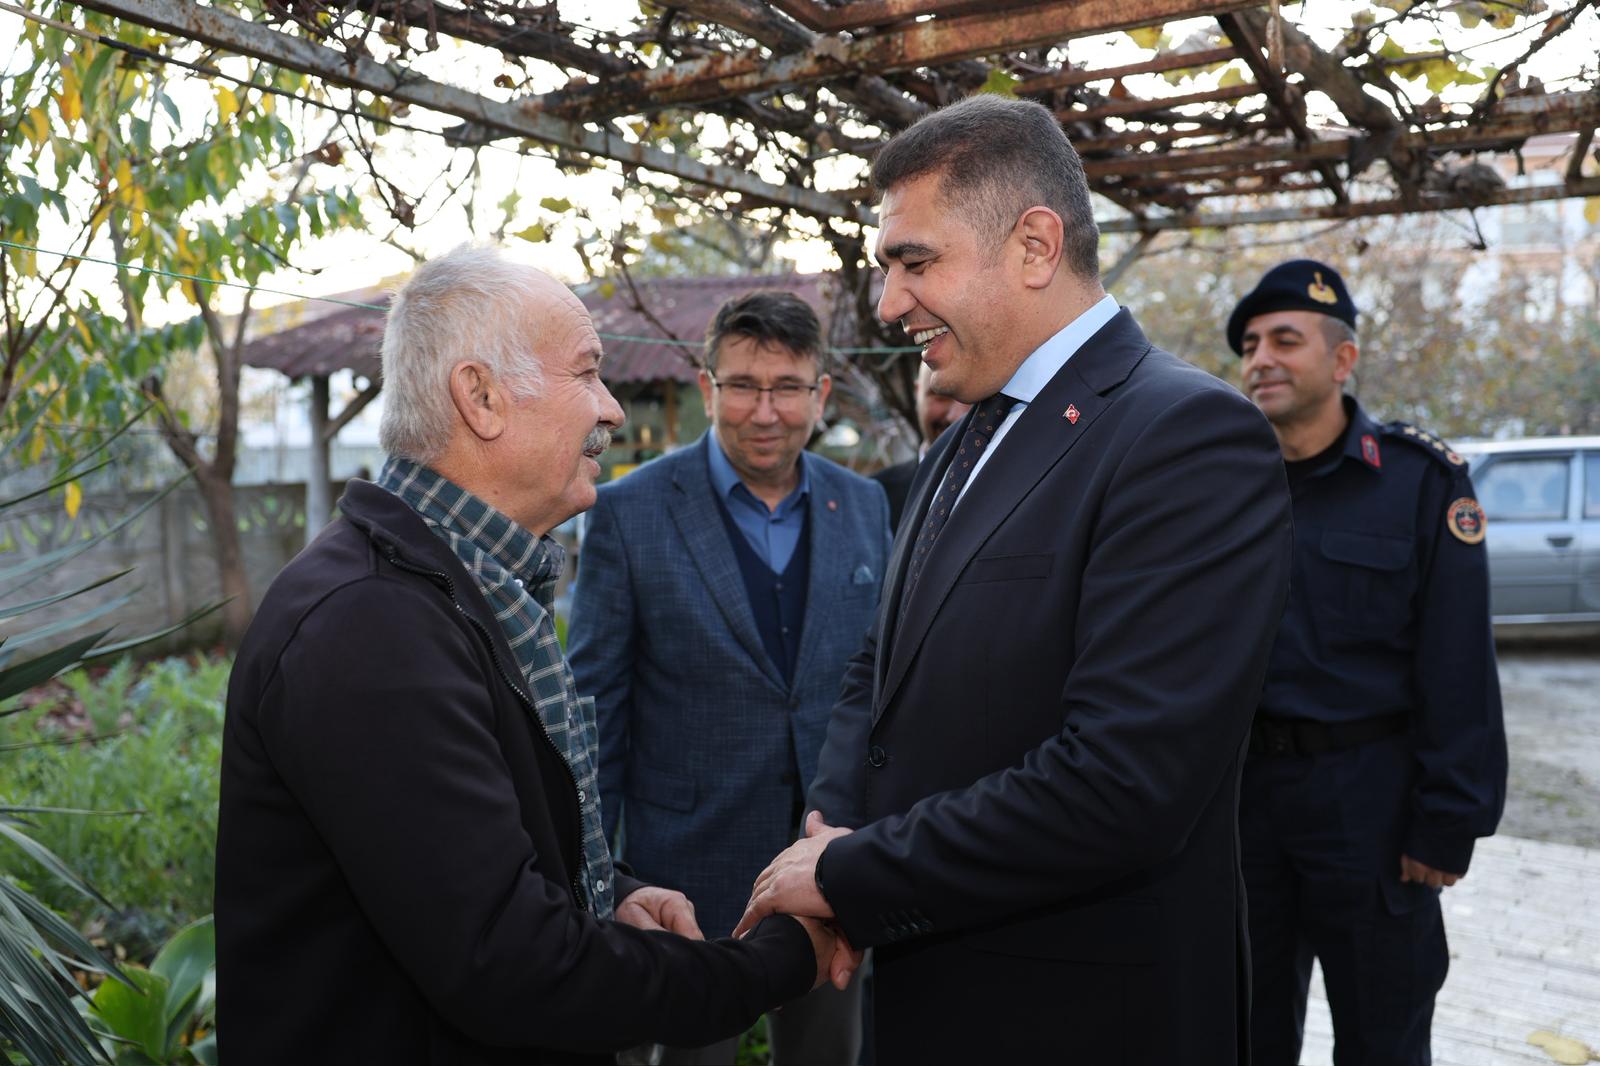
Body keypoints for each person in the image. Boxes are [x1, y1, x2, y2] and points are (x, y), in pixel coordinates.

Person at [735, 94, 1293, 1063]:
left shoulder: (1186, 434)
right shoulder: (969, 433)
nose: (889, 303)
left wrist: (853, 874)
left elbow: (1124, 782)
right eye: (887, 268)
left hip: (1081, 1020)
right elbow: (882, 666)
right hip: (933, 996)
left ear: (1035, 246)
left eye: (915, 262)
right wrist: (834, 832)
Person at [215, 246, 838, 1066]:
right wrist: (779, 958)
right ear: (480, 398)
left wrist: (606, 894)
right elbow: (508, 962)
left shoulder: (458, 585)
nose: (611, 409)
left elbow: (475, 853)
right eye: (586, 372)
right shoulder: (369, 627)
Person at [568, 289, 891, 1065]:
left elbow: (880, 688)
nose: (765, 411)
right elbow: (595, 711)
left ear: (821, 392)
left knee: (826, 1057)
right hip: (685, 874)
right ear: (707, 388)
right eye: (743, 385)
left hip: (827, 866)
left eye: (787, 388)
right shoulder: (630, 512)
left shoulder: (864, 504)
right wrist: (597, 881)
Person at [1226, 259, 1507, 1064]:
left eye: (1285, 340)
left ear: (1343, 359)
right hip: (1244, 807)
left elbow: (1458, 664)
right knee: (1242, 1032)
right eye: (1250, 345)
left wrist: (1448, 822)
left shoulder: (1419, 481)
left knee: (1383, 1036)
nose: (1261, 360)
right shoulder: (1224, 484)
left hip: (1371, 808)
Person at [873, 361, 970, 533]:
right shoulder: (874, 497)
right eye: (941, 395)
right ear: (917, 393)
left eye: (971, 399)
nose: (957, 416)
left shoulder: (1012, 491)